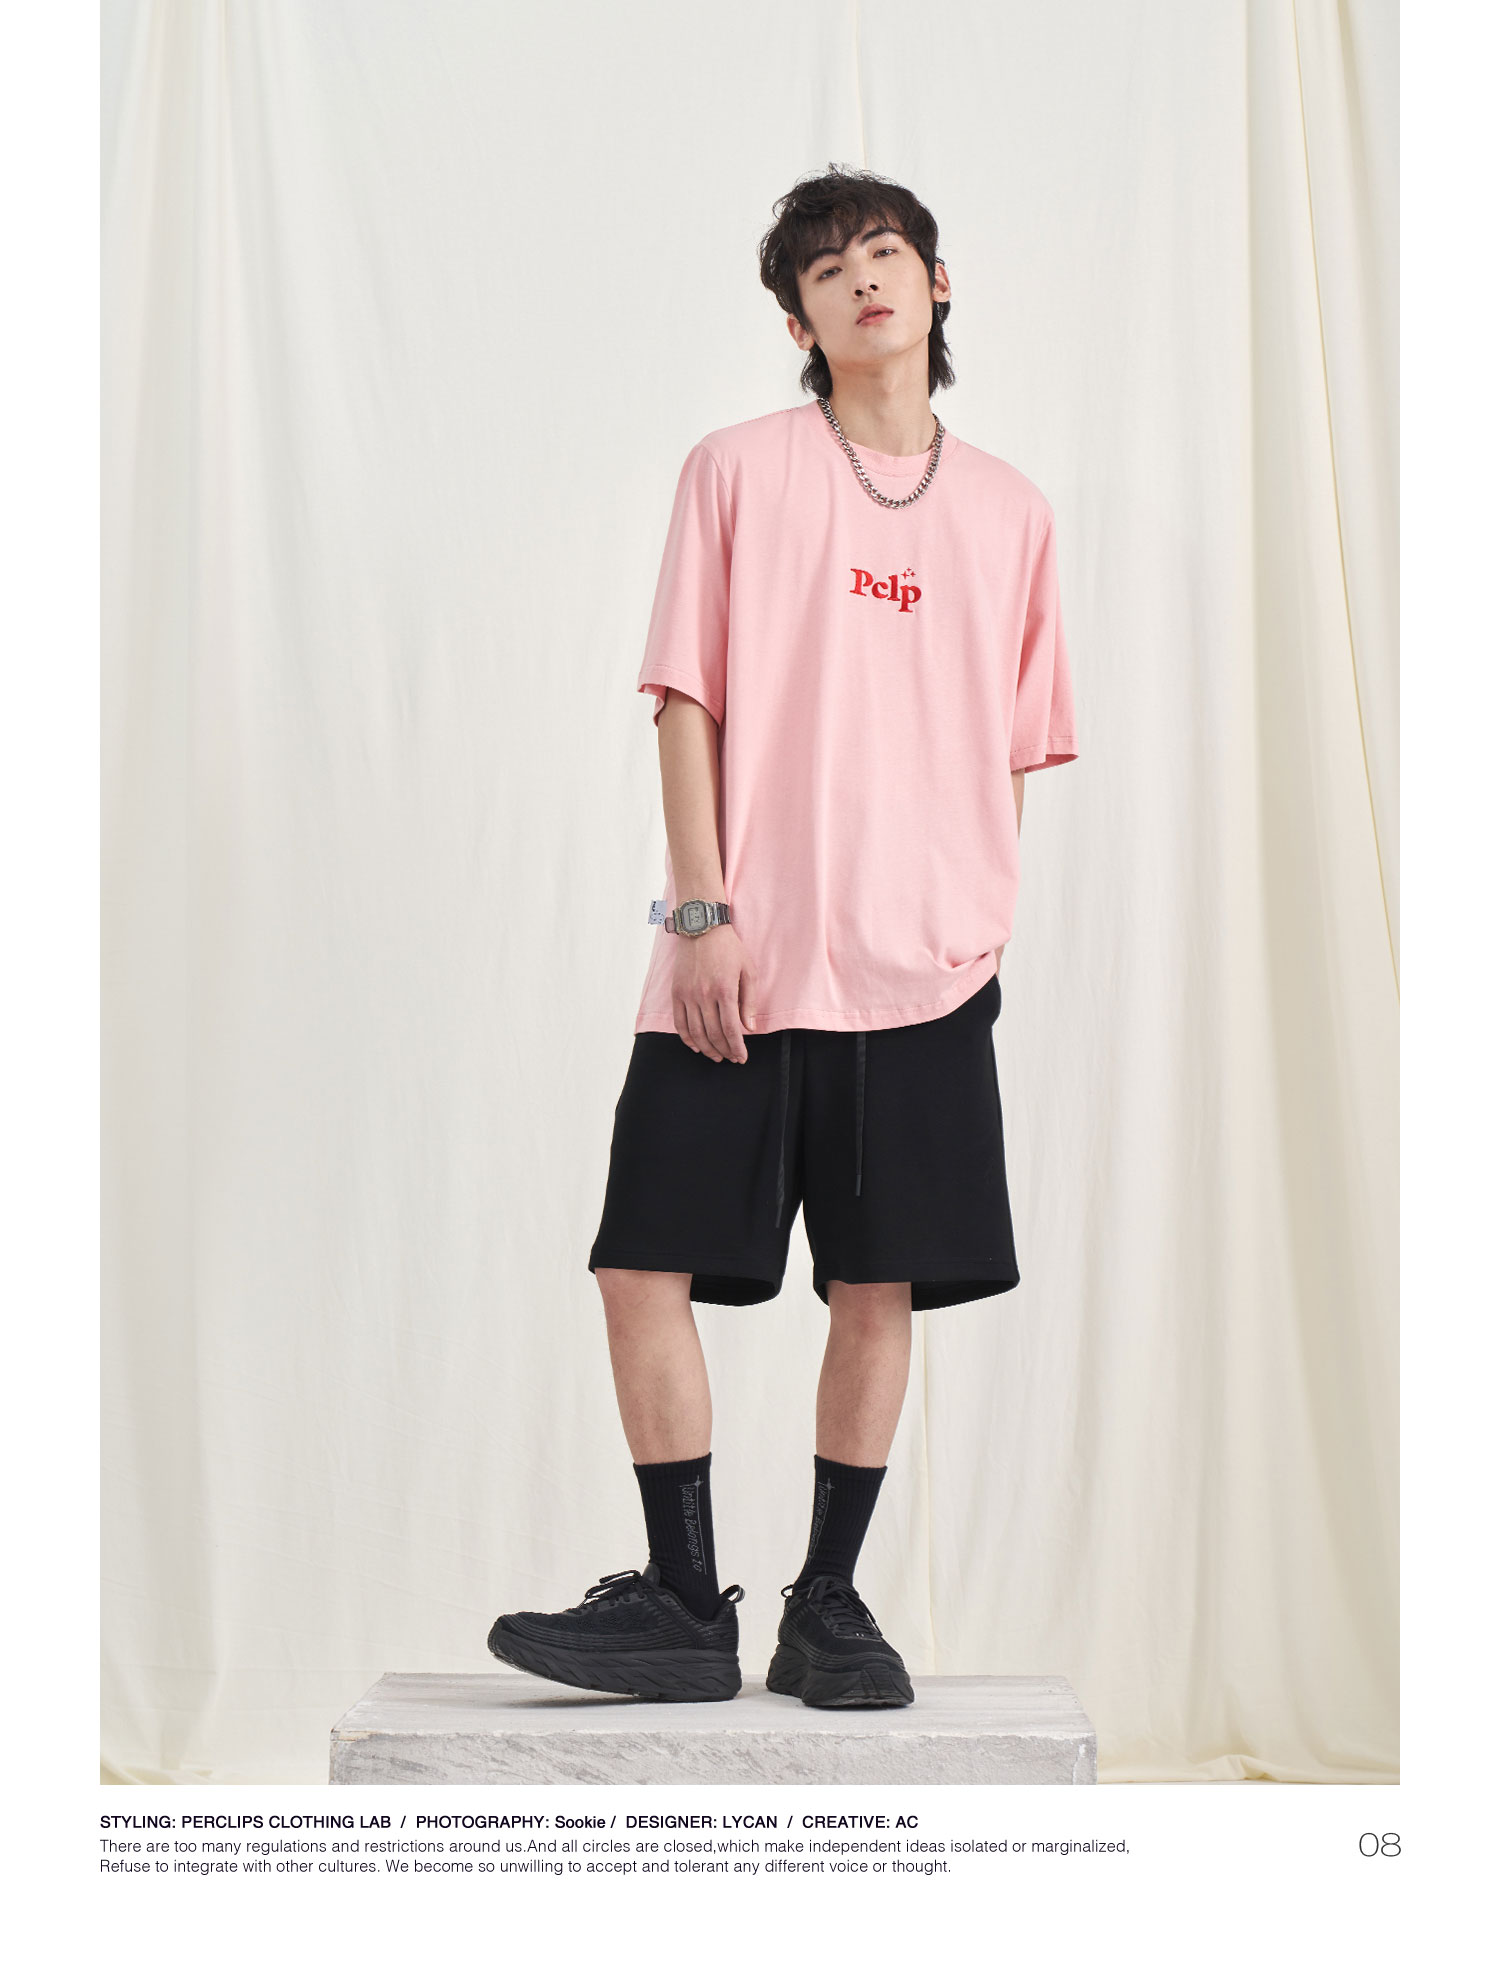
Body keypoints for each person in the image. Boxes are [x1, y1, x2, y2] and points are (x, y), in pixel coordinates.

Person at [488, 164, 1077, 1710]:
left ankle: (830, 1603)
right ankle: (685, 1607)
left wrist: (973, 919)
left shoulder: (1013, 513)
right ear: (800, 321)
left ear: (936, 284)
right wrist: (699, 912)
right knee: (640, 1264)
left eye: (886, 252)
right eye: (827, 269)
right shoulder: (737, 472)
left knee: (879, 1287)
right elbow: (686, 695)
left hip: (926, 970)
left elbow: (1013, 748)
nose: (862, 278)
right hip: (738, 956)